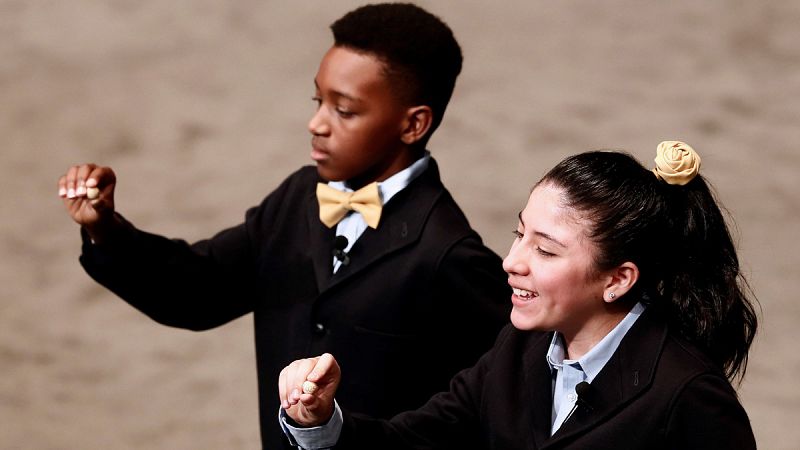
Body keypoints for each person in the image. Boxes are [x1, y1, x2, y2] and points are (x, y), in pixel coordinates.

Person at [56, 4, 511, 449]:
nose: (316, 124)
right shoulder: (299, 197)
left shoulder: (450, 256)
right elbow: (197, 290)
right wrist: (106, 230)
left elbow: (495, 402)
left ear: (413, 124)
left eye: (344, 111)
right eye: (318, 101)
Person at [279, 141, 759, 449]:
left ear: (618, 279)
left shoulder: (689, 396)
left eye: (546, 251)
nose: (512, 261)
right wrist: (320, 420)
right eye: (519, 234)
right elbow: (410, 443)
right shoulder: (519, 348)